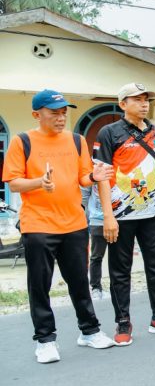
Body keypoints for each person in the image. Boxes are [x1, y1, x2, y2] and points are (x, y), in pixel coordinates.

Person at [2, 89, 116, 363]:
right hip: (38, 224)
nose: (61, 117)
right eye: (54, 112)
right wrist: (40, 182)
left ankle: (89, 331)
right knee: (39, 284)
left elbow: (83, 178)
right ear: (37, 114)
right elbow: (13, 182)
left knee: (79, 281)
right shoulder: (23, 141)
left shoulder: (77, 140)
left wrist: (94, 175)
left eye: (64, 112)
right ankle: (45, 340)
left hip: (74, 222)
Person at [95, 83, 155, 345]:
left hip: (153, 213)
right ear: (123, 104)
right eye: (137, 100)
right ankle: (123, 322)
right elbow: (101, 176)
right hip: (121, 215)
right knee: (120, 271)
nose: (144, 104)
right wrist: (108, 216)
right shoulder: (109, 133)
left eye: (146, 100)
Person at [80, 184, 107, 300]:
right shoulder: (91, 170)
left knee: (119, 257)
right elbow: (83, 197)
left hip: (119, 218)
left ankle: (116, 287)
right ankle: (96, 288)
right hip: (97, 219)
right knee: (96, 256)